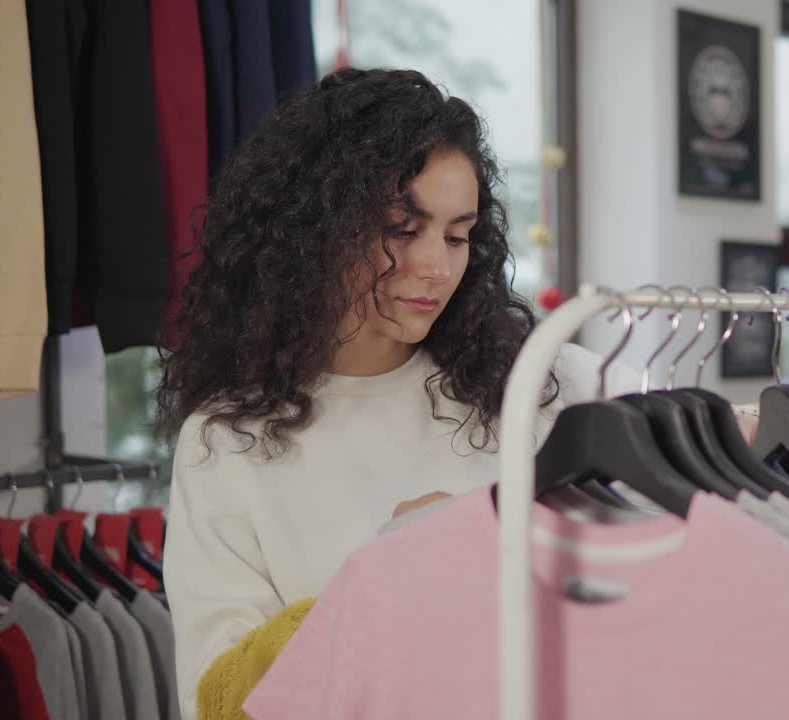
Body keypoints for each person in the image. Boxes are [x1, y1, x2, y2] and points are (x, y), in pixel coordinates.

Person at [157, 68, 634, 719]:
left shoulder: (547, 384)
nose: (437, 266)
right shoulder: (227, 443)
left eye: (457, 235)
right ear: (315, 229)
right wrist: (388, 576)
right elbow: (218, 703)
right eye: (403, 230)